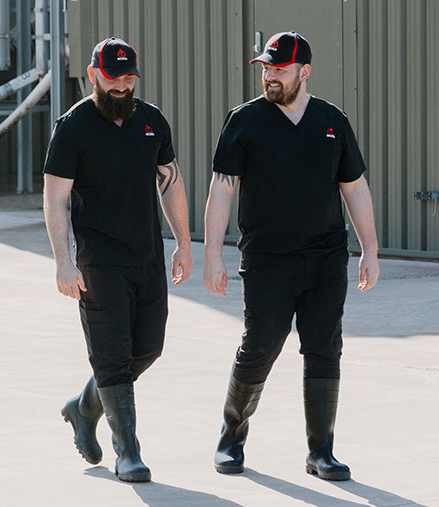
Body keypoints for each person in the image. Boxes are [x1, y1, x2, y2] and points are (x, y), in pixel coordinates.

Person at [203, 31, 379, 481]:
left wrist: (370, 249)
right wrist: (212, 255)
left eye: (279, 69)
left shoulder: (331, 121)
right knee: (261, 344)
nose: (270, 76)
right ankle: (231, 437)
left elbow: (354, 187)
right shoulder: (245, 120)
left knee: (324, 349)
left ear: (304, 72)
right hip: (267, 258)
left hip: (324, 257)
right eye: (265, 68)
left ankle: (321, 452)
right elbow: (222, 190)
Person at [43, 37, 193, 483]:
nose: (122, 87)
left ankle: (83, 408)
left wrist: (184, 243)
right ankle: (127, 452)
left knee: (146, 349)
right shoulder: (73, 127)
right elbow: (55, 198)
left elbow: (170, 182)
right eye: (113, 78)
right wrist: (63, 261)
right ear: (93, 75)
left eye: (129, 79)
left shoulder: (151, 121)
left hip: (146, 256)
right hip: (97, 262)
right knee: (111, 358)